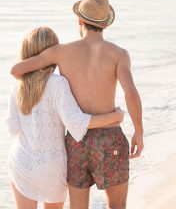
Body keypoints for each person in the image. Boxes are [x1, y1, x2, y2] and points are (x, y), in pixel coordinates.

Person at [11, 0, 144, 209]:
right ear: (106, 24)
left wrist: (41, 79)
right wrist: (138, 131)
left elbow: (17, 70)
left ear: (79, 20)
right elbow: (131, 93)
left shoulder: (61, 52)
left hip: (76, 142)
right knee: (117, 205)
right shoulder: (119, 54)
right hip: (109, 137)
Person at [7, 27, 124, 209]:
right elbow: (77, 123)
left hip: (22, 161)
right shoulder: (57, 84)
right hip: (52, 167)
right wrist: (115, 116)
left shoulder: (18, 87)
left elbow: (12, 128)